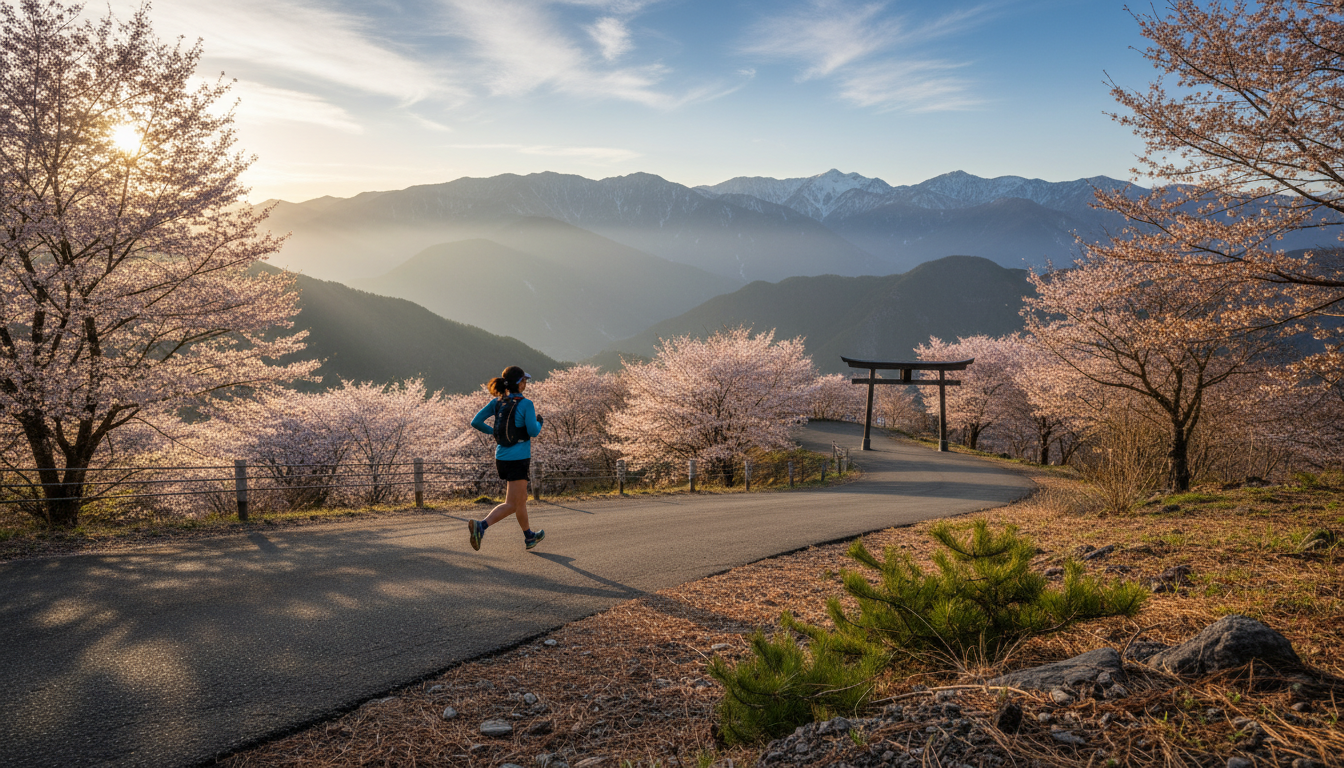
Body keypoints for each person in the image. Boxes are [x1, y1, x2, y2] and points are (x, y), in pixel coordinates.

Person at [467, 366, 544, 551]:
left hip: (502, 457)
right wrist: (540, 423)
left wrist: (493, 431)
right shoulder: (526, 404)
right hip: (519, 458)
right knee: (513, 504)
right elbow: (533, 431)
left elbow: (476, 421)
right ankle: (481, 526)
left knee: (521, 499)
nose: (526, 383)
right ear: (520, 383)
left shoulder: (497, 402)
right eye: (525, 380)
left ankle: (529, 536)